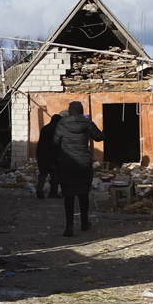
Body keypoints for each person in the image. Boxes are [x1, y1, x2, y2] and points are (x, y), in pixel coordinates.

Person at [52, 101, 104, 237]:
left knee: (68, 195)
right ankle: (84, 223)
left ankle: (69, 227)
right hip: (84, 164)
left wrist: (56, 161)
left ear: (70, 112)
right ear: (81, 111)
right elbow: (100, 137)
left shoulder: (61, 124)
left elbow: (55, 144)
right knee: (83, 194)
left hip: (67, 164)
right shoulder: (87, 124)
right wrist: (93, 126)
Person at [35, 113, 63, 199]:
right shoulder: (58, 129)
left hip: (40, 154)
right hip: (51, 155)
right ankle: (53, 193)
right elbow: (57, 143)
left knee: (43, 173)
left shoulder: (44, 128)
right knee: (55, 174)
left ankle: (39, 188)